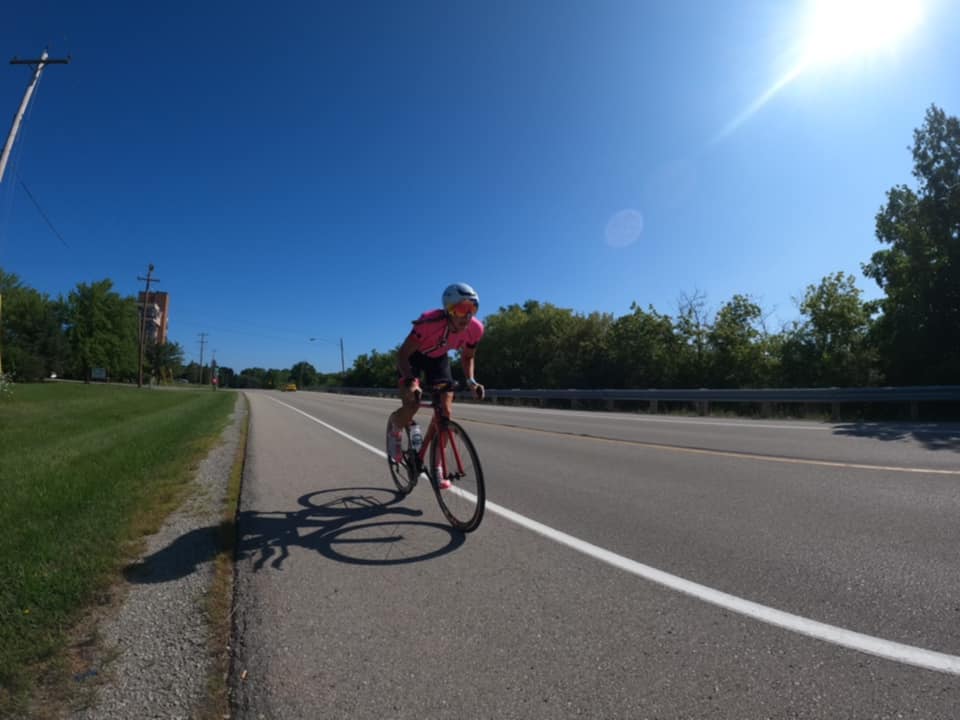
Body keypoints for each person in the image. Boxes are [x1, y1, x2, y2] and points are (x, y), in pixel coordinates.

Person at [387, 282, 486, 488]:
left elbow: (468, 357)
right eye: (462, 309)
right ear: (449, 310)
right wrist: (411, 382)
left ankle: (437, 466)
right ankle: (395, 428)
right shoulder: (428, 322)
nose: (468, 316)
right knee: (412, 403)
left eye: (473, 309)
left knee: (445, 412)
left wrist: (471, 381)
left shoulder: (475, 329)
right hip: (413, 358)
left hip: (438, 360)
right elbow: (403, 354)